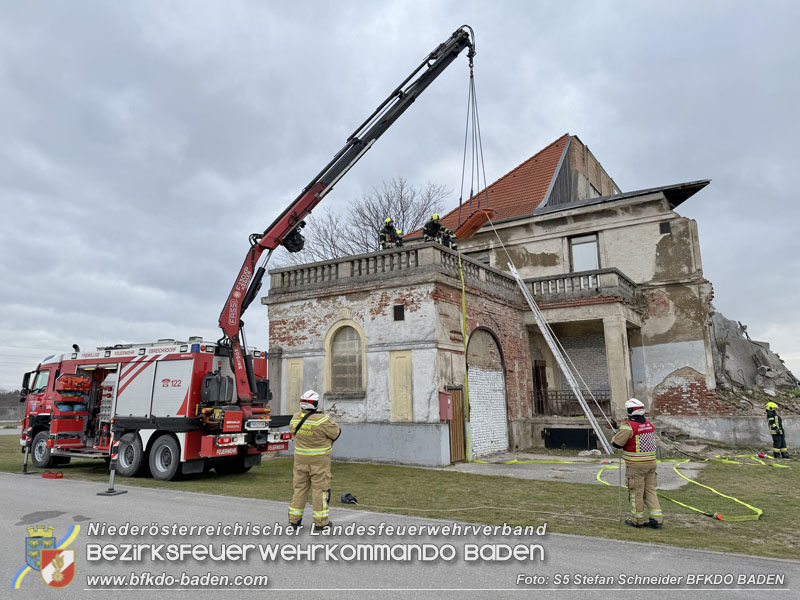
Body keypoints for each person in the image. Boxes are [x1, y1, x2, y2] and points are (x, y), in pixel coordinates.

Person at [288, 390, 341, 531]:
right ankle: (321, 523)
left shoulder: (295, 418)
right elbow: (336, 433)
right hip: (319, 462)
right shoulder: (322, 419)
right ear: (315, 404)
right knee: (320, 490)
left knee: (299, 489)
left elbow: (293, 431)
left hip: (300, 461)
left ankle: (294, 521)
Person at [611, 398, 663, 529]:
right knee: (650, 491)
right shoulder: (649, 425)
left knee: (636, 493)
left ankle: (637, 521)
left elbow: (616, 444)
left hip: (636, 466)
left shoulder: (629, 427)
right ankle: (657, 520)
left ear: (629, 411)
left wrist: (615, 435)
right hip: (651, 464)